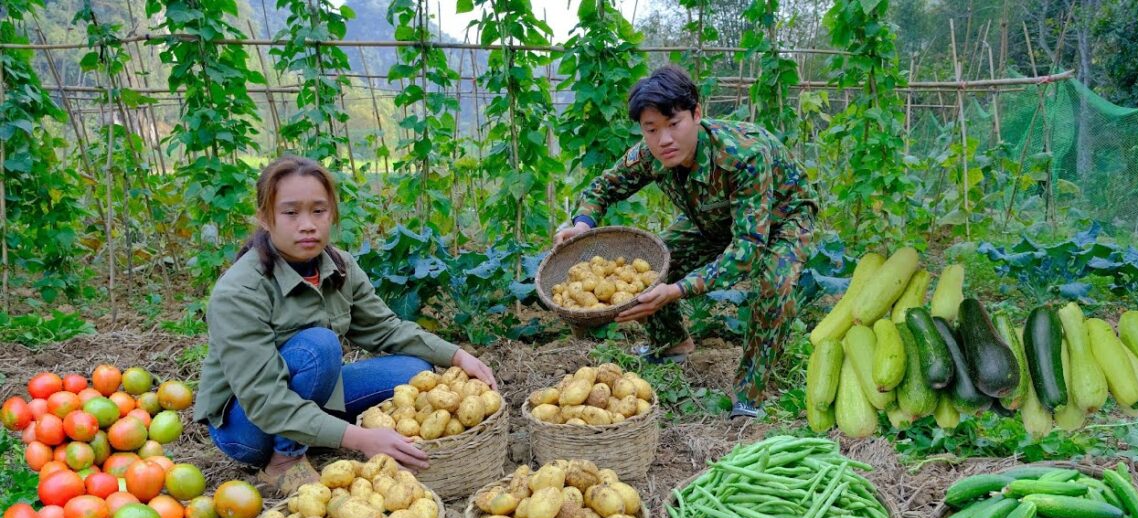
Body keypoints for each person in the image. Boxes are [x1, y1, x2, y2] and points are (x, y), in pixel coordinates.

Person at [194, 155, 497, 494]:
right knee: (319, 347)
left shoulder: (339, 266)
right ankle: (284, 461)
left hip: (308, 399)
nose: (307, 225)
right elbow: (265, 400)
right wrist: (362, 439)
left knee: (415, 371)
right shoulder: (240, 291)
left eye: (318, 211)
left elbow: (386, 329)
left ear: (332, 214)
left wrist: (457, 356)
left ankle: (317, 432)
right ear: (265, 218)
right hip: (247, 427)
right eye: (291, 213)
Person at [555, 65, 817, 419]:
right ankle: (672, 344)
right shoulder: (649, 155)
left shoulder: (744, 155)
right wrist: (581, 225)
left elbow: (747, 251)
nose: (664, 139)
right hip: (713, 218)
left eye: (674, 124)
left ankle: (750, 394)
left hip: (782, 216)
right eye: (651, 129)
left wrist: (677, 290)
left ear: (696, 114)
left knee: (775, 281)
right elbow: (604, 187)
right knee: (655, 264)